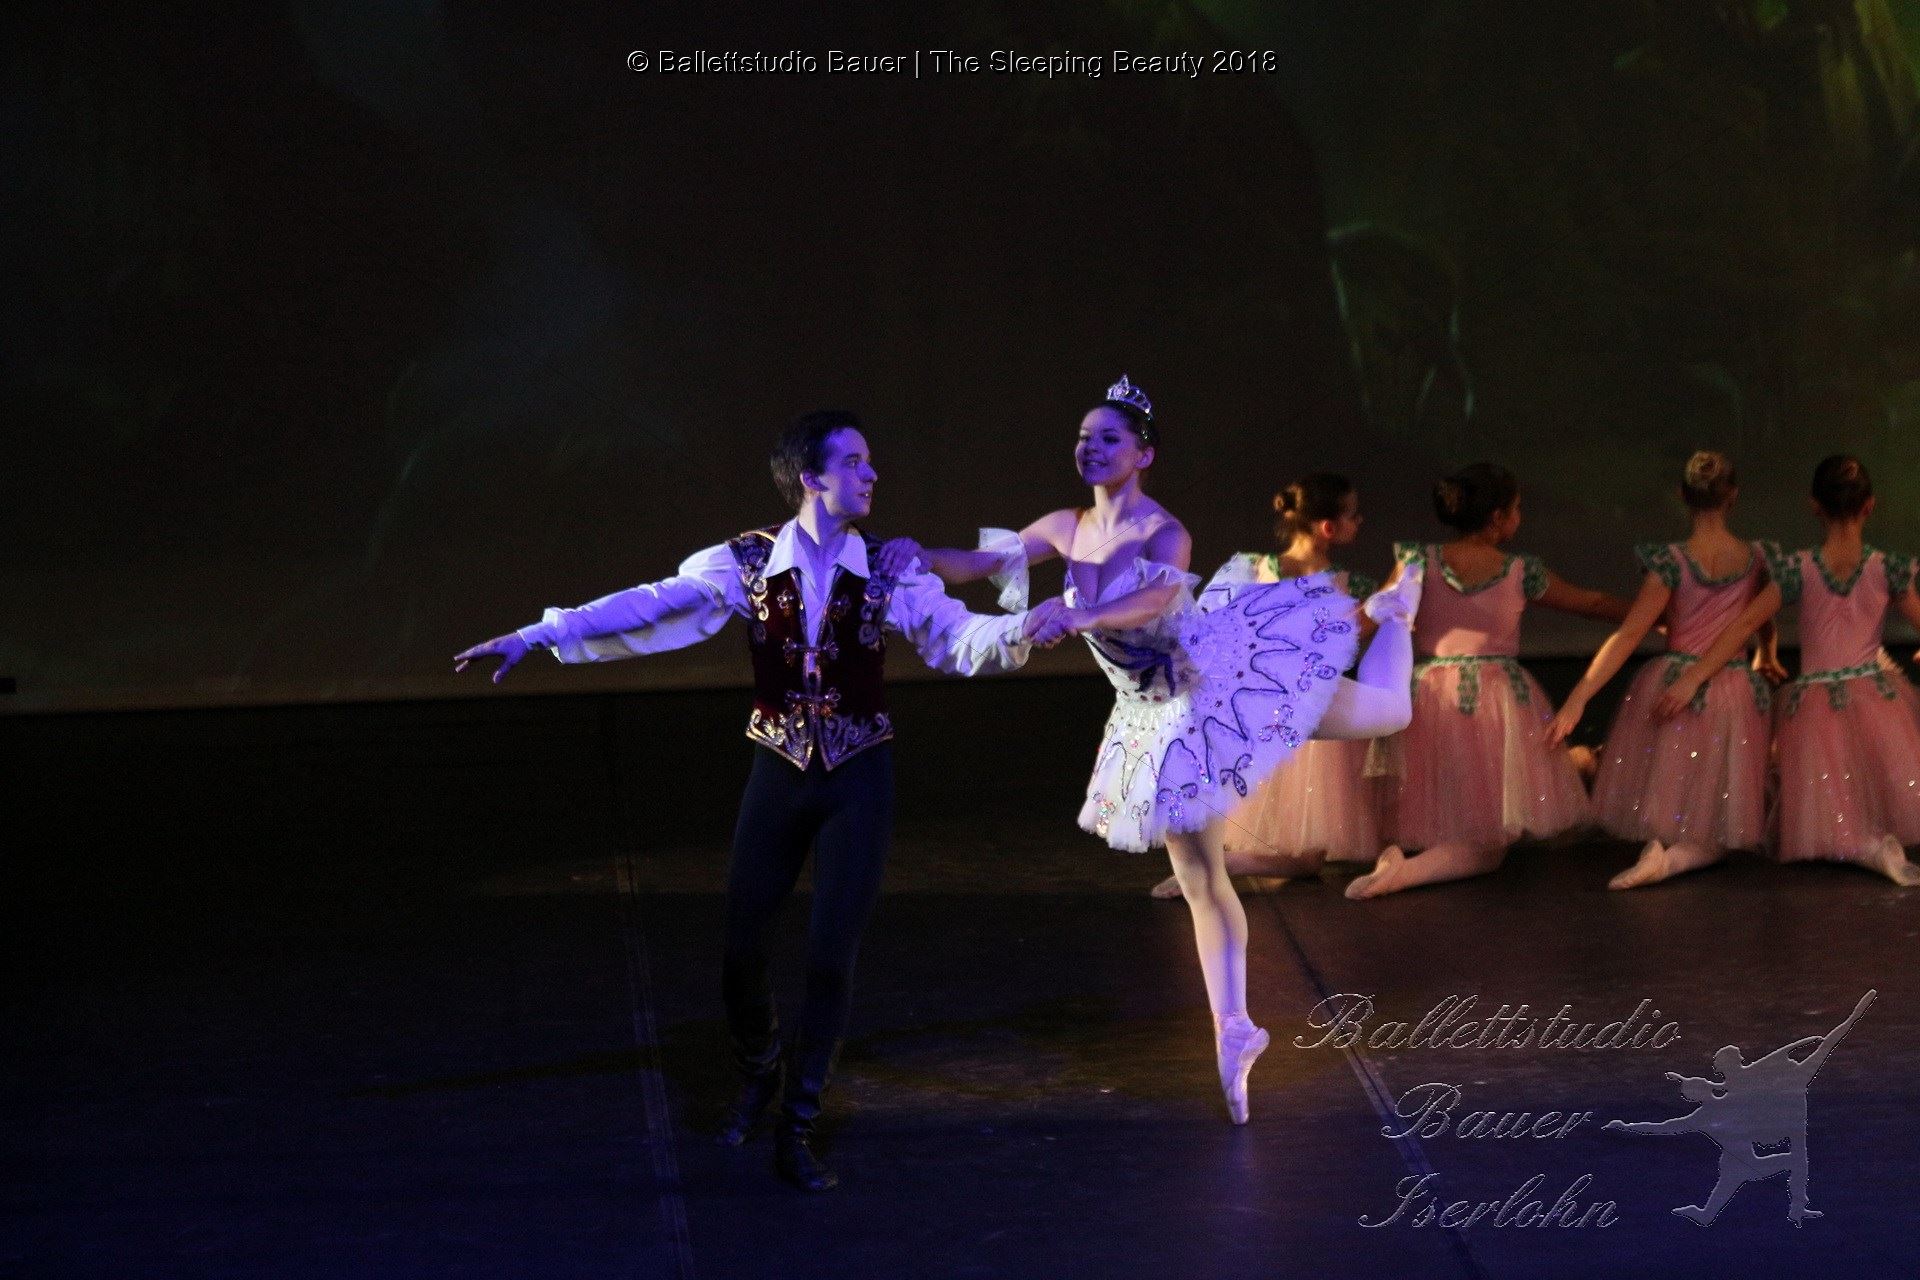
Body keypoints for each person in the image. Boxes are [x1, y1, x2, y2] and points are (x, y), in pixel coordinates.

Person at [454, 410, 1043, 1191]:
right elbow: (651, 602)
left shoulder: (891, 568)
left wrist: (1028, 628)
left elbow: (958, 635)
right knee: (741, 949)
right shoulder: (747, 561)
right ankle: (760, 1074)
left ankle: (798, 1121)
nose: (872, 474)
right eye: (855, 462)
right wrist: (539, 634)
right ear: (811, 477)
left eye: (870, 461)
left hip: (859, 777)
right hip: (780, 770)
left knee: (830, 957)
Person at [880, 377, 1417, 1123]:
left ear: (1143, 454)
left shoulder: (1163, 530)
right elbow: (975, 564)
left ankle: (1396, 612)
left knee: (1390, 711)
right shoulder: (1065, 526)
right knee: (1200, 878)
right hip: (1155, 717)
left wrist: (1084, 616)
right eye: (1084, 437)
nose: (1091, 448)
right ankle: (1234, 1026)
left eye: (1109, 438)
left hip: (1225, 680)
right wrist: (917, 556)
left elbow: (1155, 600)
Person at [1346, 462, 1633, 899]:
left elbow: (1371, 615)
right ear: (1497, 517)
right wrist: (1652, 614)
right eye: (1516, 509)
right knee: (1487, 845)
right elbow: (1590, 603)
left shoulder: (1418, 561)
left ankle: (1411, 863)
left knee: (1450, 811)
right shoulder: (1519, 569)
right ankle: (1404, 872)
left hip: (1430, 696)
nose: (1519, 517)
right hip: (1496, 700)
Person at [1657, 455, 1920, 885]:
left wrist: (1693, 678)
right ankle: (1872, 845)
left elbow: (1744, 623)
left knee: (1826, 804)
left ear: (1814, 506)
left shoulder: (1799, 568)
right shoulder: (1887, 568)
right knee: (1864, 779)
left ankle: (1867, 846)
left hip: (1816, 702)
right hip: (1874, 695)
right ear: (1870, 506)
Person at [1145, 473, 1387, 897]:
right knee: (1299, 847)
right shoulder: (1253, 572)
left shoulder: (1348, 585)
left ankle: (1228, 863)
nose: (1360, 521)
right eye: (1353, 515)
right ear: (1328, 528)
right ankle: (1215, 864)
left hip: (1316, 717)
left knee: (1308, 857)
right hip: (1269, 715)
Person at [1547, 452, 1782, 889]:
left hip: (1674, 681)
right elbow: (1759, 619)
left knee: (1674, 789)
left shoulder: (1670, 562)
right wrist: (1766, 653)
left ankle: (1659, 848)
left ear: (1682, 496)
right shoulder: (1756, 558)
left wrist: (1580, 696)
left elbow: (1628, 635)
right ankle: (1671, 859)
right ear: (1733, 496)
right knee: (1719, 816)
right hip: (1730, 683)